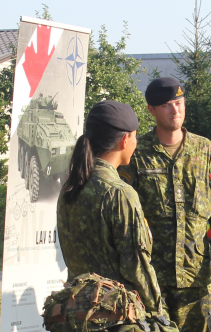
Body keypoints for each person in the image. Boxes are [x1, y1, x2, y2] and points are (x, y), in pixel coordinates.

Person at [120, 77, 211, 332]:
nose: (175, 111)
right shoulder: (139, 153)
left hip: (196, 277)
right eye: (167, 106)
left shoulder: (204, 149)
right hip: (153, 278)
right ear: (151, 110)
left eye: (179, 103)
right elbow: (126, 213)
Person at [57, 100, 163, 314]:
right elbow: (137, 268)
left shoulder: (72, 186)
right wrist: (161, 317)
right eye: (135, 137)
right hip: (113, 318)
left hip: (76, 314)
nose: (136, 143)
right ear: (125, 140)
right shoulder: (119, 192)